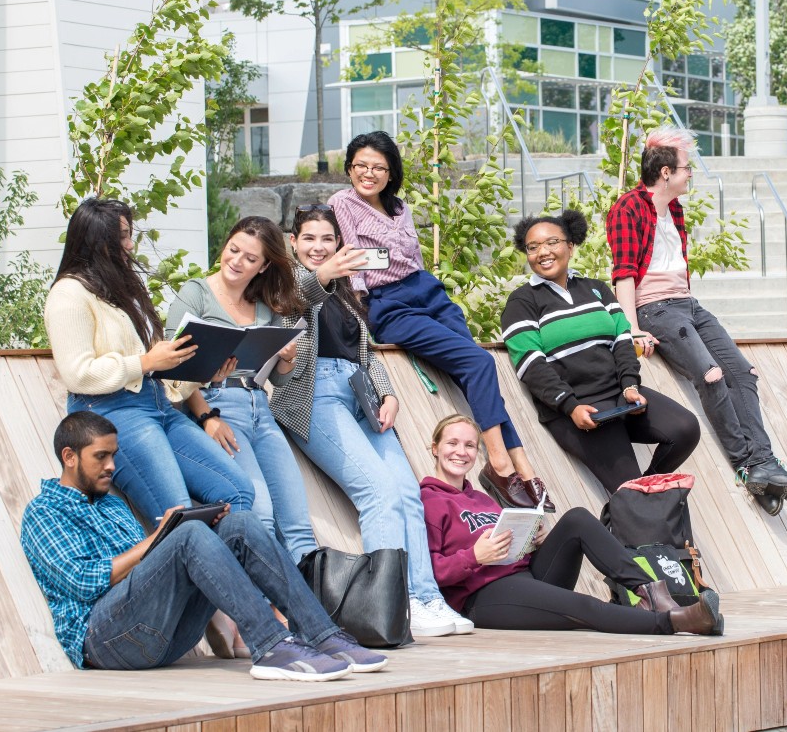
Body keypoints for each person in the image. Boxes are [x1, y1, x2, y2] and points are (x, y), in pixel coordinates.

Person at [20, 411, 388, 680]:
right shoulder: (43, 512)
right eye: (101, 456)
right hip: (105, 641)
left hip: (164, 633)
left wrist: (205, 528)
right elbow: (84, 582)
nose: (112, 465)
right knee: (186, 535)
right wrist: (162, 538)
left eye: (114, 455)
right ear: (69, 457)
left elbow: (150, 575)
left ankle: (323, 634)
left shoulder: (111, 504)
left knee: (238, 524)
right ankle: (272, 645)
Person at [272, 203, 471, 638]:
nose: (319, 247)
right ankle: (391, 604)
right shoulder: (283, 282)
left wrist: (390, 392)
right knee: (378, 491)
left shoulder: (344, 287)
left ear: (339, 243)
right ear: (293, 241)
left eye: (328, 239)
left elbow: (362, 351)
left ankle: (426, 598)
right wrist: (323, 277)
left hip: (360, 390)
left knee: (406, 491)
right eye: (309, 238)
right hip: (313, 395)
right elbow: (291, 308)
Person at [328, 130, 551, 511]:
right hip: (389, 303)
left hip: (428, 291)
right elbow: (352, 266)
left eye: (378, 167)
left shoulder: (400, 208)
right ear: (349, 169)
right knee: (479, 361)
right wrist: (362, 316)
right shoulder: (342, 203)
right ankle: (501, 466)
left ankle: (522, 465)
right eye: (360, 166)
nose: (368, 173)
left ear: (391, 172)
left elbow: (412, 260)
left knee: (479, 371)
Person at [606, 126, 787, 515]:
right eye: (687, 168)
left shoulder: (676, 211)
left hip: (688, 305)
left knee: (743, 372)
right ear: (666, 173)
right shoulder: (628, 208)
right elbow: (623, 274)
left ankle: (764, 463)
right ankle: (747, 467)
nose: (691, 175)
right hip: (655, 308)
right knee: (711, 375)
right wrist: (632, 328)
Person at [44, 198, 253, 524]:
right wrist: (142, 362)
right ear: (99, 241)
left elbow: (159, 368)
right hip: (113, 414)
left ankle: (228, 571)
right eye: (123, 237)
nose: (130, 244)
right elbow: (77, 375)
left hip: (159, 407)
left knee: (238, 490)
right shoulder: (68, 294)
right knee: (179, 516)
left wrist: (205, 372)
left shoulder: (125, 286)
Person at [419, 414, 723, 635]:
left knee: (576, 518)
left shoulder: (481, 499)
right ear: (435, 448)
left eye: (470, 445)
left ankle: (653, 592)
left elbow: (508, 554)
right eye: (453, 443)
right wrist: (475, 557)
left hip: (524, 577)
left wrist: (529, 542)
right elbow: (430, 574)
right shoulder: (428, 501)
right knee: (585, 607)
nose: (461, 451)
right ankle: (679, 621)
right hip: (483, 597)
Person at [501, 209, 700, 493]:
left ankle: (640, 492)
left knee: (685, 428)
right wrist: (570, 406)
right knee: (632, 490)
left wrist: (630, 385)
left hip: (619, 395)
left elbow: (621, 339)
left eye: (552, 242)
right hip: (579, 410)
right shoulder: (521, 301)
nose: (542, 252)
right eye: (533, 248)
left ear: (570, 246)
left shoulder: (596, 290)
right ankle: (635, 498)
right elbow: (531, 366)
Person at [165, 216, 318, 566]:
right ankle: (265, 612)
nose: (237, 261)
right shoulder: (196, 293)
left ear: (264, 266)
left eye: (250, 259)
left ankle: (310, 609)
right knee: (259, 513)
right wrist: (206, 417)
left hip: (259, 408)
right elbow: (174, 370)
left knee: (296, 520)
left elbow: (276, 381)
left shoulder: (264, 307)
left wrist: (286, 361)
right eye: (233, 250)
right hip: (217, 405)